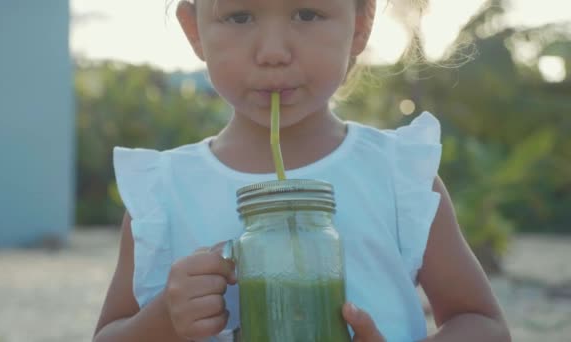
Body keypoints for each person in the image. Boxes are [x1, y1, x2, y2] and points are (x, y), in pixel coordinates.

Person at [93, 0, 511, 341]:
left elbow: (482, 323)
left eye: (307, 14)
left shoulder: (397, 175)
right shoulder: (163, 193)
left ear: (360, 25)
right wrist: (165, 319)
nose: (273, 51)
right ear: (194, 30)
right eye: (239, 16)